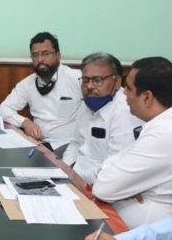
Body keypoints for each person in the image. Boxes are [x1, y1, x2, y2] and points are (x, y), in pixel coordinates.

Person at [92, 57, 172, 229]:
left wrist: (121, 184)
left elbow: (103, 188)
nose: (123, 93)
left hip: (150, 238)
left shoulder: (166, 132)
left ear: (146, 97)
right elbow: (109, 170)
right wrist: (128, 187)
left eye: (128, 88)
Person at [61, 52, 143, 184]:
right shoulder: (88, 103)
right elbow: (75, 144)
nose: (89, 86)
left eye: (97, 80)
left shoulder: (125, 112)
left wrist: (74, 172)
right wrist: (64, 170)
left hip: (103, 186)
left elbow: (114, 172)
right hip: (78, 179)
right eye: (85, 80)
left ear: (117, 82)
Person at [0, 31, 83, 147]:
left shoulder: (77, 78)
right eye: (35, 55)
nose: (40, 59)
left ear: (58, 55)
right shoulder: (27, 84)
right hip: (39, 144)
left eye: (46, 54)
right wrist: (24, 122)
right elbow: (2, 110)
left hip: (70, 145)